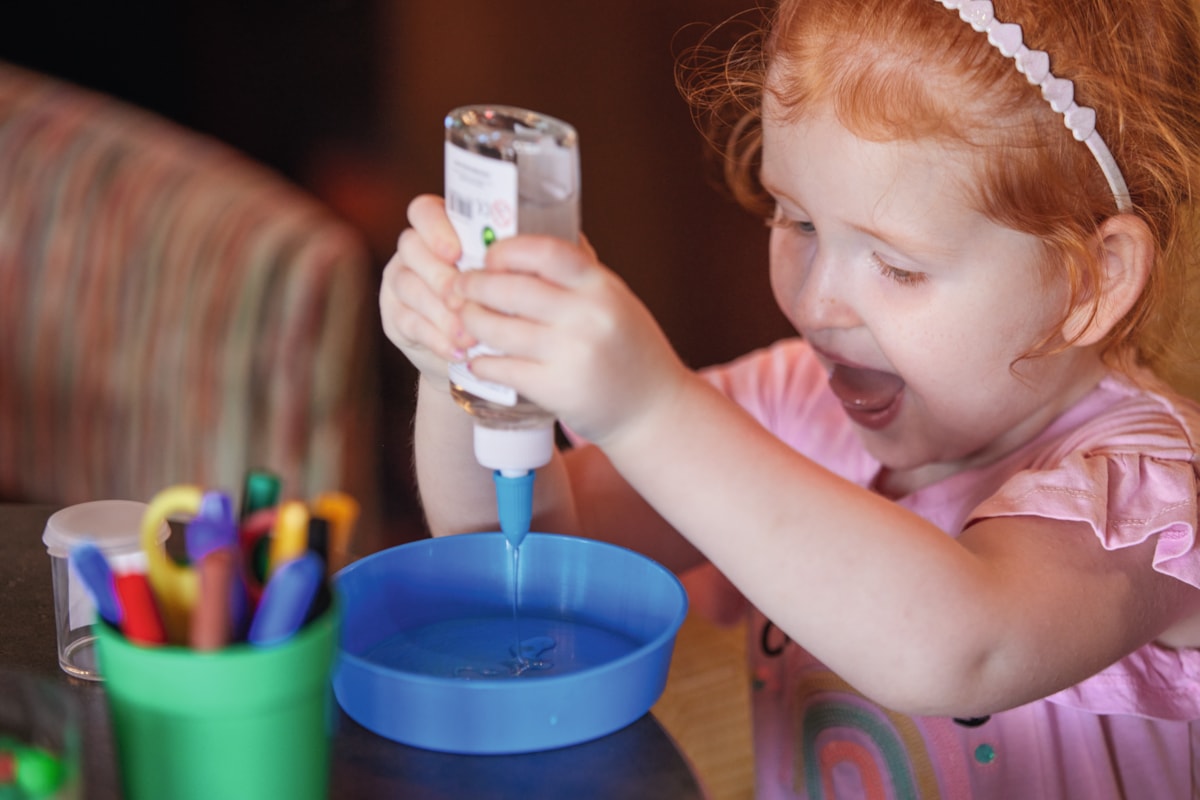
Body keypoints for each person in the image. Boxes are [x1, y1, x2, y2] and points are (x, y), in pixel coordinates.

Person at [379, 0, 1200, 795]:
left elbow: (961, 648)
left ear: (1092, 282)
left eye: (897, 267)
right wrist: (463, 369)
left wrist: (650, 412)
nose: (815, 305)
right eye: (798, 223)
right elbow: (534, 556)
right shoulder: (790, 402)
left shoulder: (1146, 497)